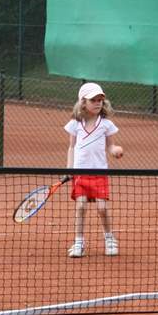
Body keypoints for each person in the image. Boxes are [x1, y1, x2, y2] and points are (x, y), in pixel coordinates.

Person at [64, 82, 124, 258]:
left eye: (100, 100)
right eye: (93, 100)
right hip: (80, 173)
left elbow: (110, 146)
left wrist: (115, 150)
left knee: (102, 208)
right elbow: (71, 147)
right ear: (83, 102)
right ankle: (79, 242)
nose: (98, 103)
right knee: (81, 206)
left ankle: (109, 239)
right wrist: (69, 168)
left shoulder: (106, 124)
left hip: (99, 173)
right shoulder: (75, 124)